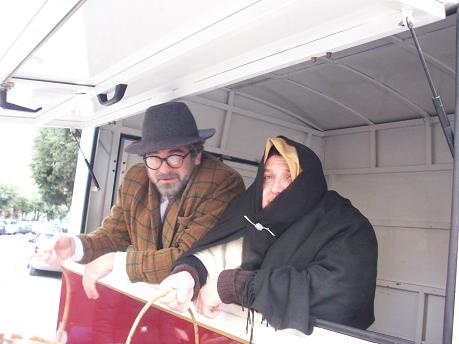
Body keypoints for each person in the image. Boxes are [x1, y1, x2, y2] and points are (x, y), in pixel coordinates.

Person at [158, 136, 378, 339]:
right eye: (268, 177)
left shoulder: (346, 226)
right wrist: (188, 273)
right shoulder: (251, 213)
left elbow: (338, 298)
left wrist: (234, 286)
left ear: (308, 182)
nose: (275, 188)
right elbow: (219, 253)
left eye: (289, 177)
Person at [42, 102, 245, 299]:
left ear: (197, 155)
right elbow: (113, 234)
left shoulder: (220, 182)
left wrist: (117, 262)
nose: (164, 169)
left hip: (194, 305)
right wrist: (75, 246)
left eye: (175, 156)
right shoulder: (135, 178)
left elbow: (190, 257)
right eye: (154, 158)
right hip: (146, 299)